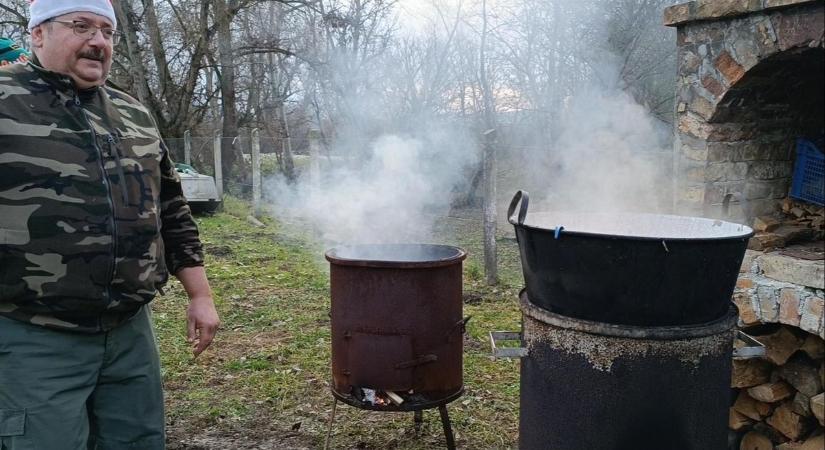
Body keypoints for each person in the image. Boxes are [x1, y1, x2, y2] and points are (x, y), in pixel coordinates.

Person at [0, 1, 220, 448]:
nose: (97, 41)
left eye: (107, 31)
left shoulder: (132, 113)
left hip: (129, 334)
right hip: (34, 334)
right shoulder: (6, 103)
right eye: (80, 26)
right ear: (38, 34)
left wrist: (200, 294)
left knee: (137, 441)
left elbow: (171, 209)